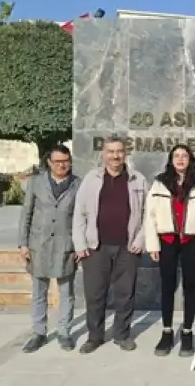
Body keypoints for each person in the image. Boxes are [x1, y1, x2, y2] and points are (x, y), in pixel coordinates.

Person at [72, 136, 148, 354]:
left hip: (128, 247)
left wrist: (140, 240)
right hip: (96, 247)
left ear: (125, 154)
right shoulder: (91, 179)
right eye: (111, 151)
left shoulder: (137, 179)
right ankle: (94, 336)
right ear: (103, 154)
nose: (115, 155)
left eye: (119, 151)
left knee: (126, 294)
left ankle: (122, 335)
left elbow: (146, 214)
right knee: (95, 294)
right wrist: (80, 243)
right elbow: (79, 213)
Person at [144, 144, 195, 357]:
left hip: (190, 242)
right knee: (167, 285)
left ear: (190, 159)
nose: (180, 159)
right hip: (167, 241)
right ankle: (166, 332)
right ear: (171, 159)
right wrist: (153, 244)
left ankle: (187, 332)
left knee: (190, 286)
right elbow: (151, 216)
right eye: (177, 155)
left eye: (184, 155)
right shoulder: (160, 183)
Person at [17, 144, 80, 352]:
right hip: (39, 245)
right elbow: (26, 215)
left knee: (66, 293)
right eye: (58, 162)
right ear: (49, 163)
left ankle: (64, 331)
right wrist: (23, 243)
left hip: (66, 246)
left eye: (66, 161)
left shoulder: (77, 184)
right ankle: (39, 332)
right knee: (39, 292)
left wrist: (80, 246)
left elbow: (83, 218)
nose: (62, 165)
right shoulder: (36, 183)